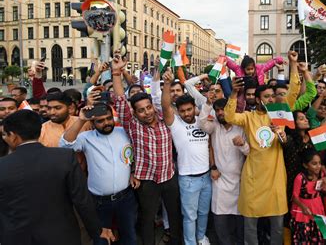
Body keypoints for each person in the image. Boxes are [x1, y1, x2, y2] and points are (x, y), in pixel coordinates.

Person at [0, 110, 115, 245]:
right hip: (62, 235)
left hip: (17, 237)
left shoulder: (3, 166)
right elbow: (82, 200)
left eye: (4, 134)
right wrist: (97, 230)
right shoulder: (64, 157)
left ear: (13, 136)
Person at [111, 54, 182, 245]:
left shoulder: (164, 119)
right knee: (147, 218)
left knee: (175, 216)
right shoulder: (132, 124)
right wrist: (116, 72)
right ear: (134, 112)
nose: (147, 112)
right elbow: (119, 99)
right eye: (141, 110)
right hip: (147, 180)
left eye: (149, 107)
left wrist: (166, 84)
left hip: (169, 176)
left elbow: (166, 104)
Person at [60, 103, 139, 245]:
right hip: (99, 202)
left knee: (130, 236)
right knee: (102, 240)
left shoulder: (124, 133)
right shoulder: (86, 137)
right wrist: (81, 120)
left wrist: (132, 171)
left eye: (109, 118)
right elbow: (65, 145)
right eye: (100, 121)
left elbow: (132, 155)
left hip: (126, 198)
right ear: (93, 122)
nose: (106, 123)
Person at [224, 79, 288, 244]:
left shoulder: (279, 116)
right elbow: (229, 117)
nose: (271, 100)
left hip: (275, 178)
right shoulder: (248, 117)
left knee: (278, 225)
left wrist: (281, 134)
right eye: (267, 97)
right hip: (253, 178)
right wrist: (233, 94)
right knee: (250, 225)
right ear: (258, 100)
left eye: (272, 96)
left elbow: (284, 142)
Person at [162, 68, 212, 245]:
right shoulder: (175, 124)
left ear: (194, 108)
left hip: (207, 177)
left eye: (189, 109)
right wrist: (167, 84)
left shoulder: (203, 121)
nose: (186, 114)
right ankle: (190, 242)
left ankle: (201, 237)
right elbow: (166, 106)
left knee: (203, 212)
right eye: (182, 111)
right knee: (189, 216)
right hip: (188, 180)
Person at [198, 97, 248, 245]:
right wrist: (207, 103)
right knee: (220, 222)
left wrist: (243, 145)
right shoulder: (214, 127)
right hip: (219, 181)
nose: (220, 113)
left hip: (239, 183)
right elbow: (201, 123)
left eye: (223, 109)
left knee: (239, 222)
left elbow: (250, 152)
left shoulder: (241, 127)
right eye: (217, 110)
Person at [289, 148, 326, 244]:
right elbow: (294, 197)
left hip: (317, 208)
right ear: (305, 165)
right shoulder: (300, 178)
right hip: (303, 212)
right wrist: (303, 207)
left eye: (319, 163)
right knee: (303, 238)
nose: (318, 166)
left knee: (316, 237)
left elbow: (323, 189)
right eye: (314, 164)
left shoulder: (321, 174)